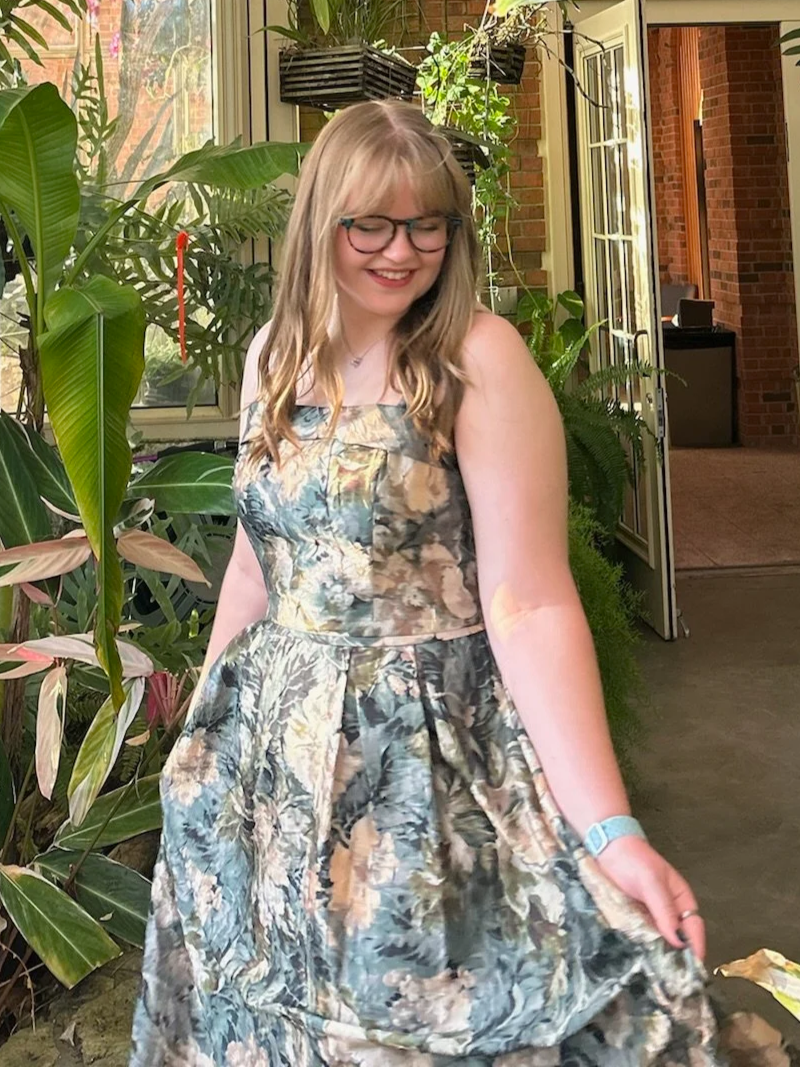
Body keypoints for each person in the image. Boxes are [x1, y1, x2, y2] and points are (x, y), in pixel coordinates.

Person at [129, 100, 721, 1066]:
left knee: (415, 1020)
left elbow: (529, 602)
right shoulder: (271, 357)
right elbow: (254, 563)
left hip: (420, 765)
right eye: (371, 222)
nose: (401, 251)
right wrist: (199, 734)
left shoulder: (475, 360)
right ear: (322, 222)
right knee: (265, 1015)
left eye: (427, 223)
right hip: (264, 772)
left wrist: (612, 830)